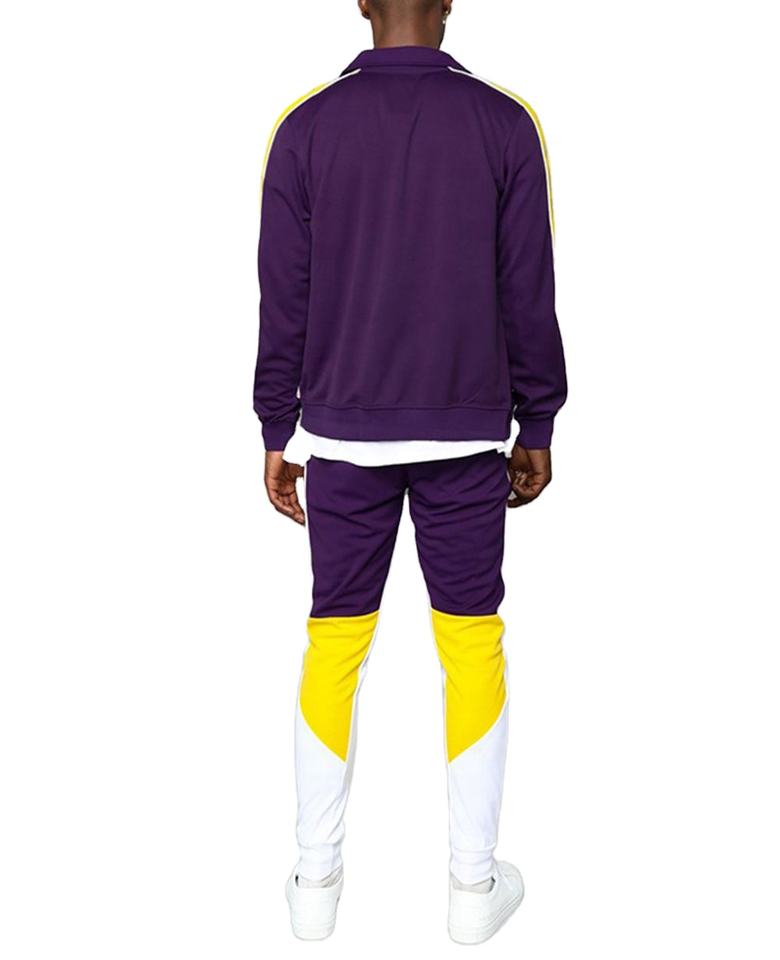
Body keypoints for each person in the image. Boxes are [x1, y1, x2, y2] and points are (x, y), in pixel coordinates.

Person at [253, 0, 567, 944]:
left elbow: (283, 291)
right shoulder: (506, 122)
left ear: (360, 1)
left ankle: (315, 886)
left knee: (334, 647)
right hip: (467, 439)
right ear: (450, 2)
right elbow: (529, 286)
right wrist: (539, 420)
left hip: (343, 442)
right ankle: (472, 891)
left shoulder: (304, 126)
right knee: (471, 646)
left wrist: (276, 428)